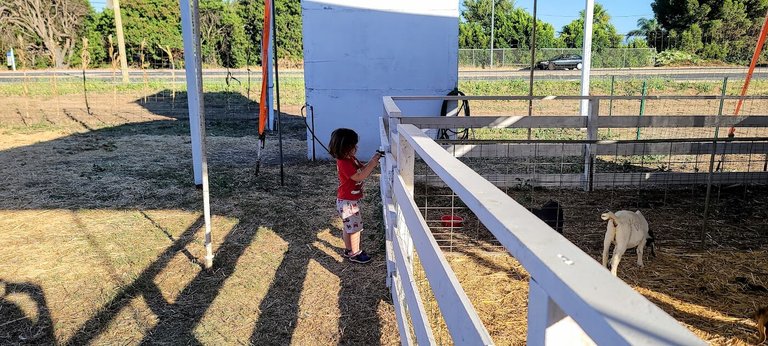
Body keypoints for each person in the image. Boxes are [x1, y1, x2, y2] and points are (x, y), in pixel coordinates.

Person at [328, 128, 381, 264]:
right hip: (347, 202)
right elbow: (359, 176)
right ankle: (355, 253)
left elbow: (361, 168)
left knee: (349, 227)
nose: (356, 148)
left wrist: (372, 160)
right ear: (345, 147)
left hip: (347, 200)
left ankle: (348, 250)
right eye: (353, 146)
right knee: (355, 228)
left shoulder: (350, 159)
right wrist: (373, 164)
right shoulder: (344, 163)